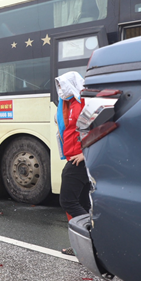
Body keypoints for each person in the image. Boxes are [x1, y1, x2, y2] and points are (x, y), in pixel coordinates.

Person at [55, 71, 90, 256]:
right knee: (83, 202)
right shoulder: (67, 104)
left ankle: (90, 239)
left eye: (63, 85)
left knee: (68, 201)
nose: (60, 90)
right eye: (58, 86)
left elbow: (99, 126)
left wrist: (86, 153)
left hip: (80, 159)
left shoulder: (83, 101)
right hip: (74, 157)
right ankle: (84, 246)